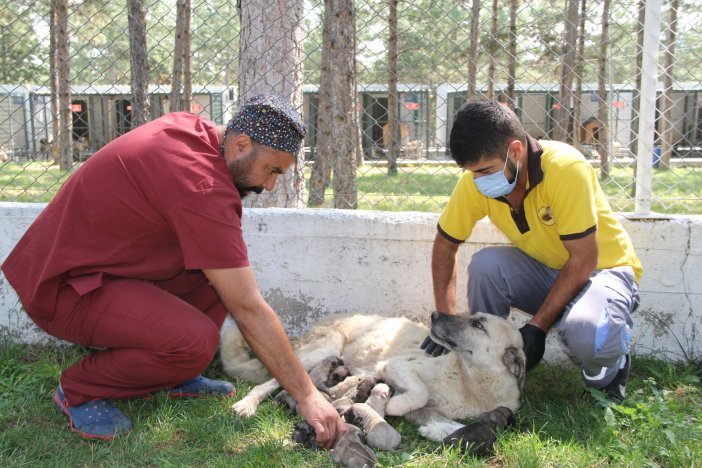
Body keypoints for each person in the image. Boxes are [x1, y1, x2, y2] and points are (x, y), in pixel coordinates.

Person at [1, 93, 346, 444]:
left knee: (218, 277)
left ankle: (172, 374)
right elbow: (248, 307)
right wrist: (308, 396)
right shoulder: (202, 186)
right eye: (271, 170)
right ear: (241, 144)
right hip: (63, 289)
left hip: (94, 269)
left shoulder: (194, 131)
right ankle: (80, 389)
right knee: (194, 341)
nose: (269, 185)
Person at [422, 99, 642, 401]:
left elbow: (584, 260)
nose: (479, 181)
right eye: (473, 173)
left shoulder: (565, 167)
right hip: (548, 270)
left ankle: (610, 367)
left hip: (602, 271)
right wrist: (447, 323)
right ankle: (487, 367)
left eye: (486, 170)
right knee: (486, 266)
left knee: (585, 332)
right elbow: (445, 246)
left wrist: (537, 328)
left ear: (515, 150)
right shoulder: (476, 181)